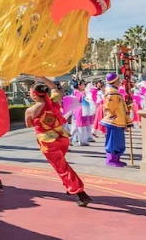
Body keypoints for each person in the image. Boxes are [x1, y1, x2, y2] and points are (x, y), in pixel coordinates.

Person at [26, 79, 92, 207]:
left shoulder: (31, 110)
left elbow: (29, 124)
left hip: (48, 143)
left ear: (34, 94)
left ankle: (80, 193)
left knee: (62, 168)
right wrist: (42, 77)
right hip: (62, 139)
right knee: (62, 165)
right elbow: (54, 87)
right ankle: (69, 186)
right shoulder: (54, 101)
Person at [101, 73, 133, 167]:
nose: (119, 82)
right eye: (118, 80)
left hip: (117, 121)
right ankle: (111, 160)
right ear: (114, 81)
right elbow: (109, 107)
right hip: (115, 121)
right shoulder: (112, 92)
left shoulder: (114, 91)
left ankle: (116, 159)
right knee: (114, 142)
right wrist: (114, 115)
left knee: (118, 141)